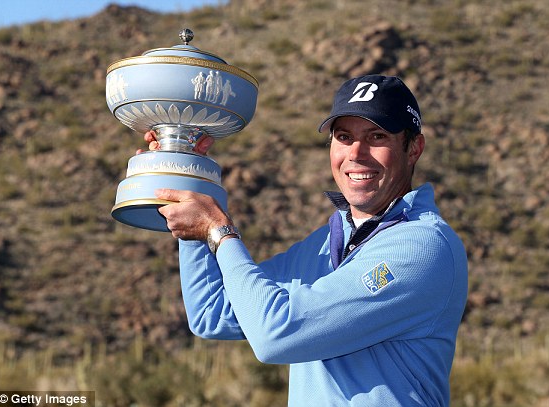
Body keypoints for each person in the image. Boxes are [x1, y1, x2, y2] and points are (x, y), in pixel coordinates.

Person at [147, 74, 468, 406]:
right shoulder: (327, 242)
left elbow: (276, 335)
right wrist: (191, 181)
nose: (356, 153)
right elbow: (212, 313)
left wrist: (218, 230)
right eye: (344, 137)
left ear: (413, 148)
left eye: (377, 136)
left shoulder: (422, 247)